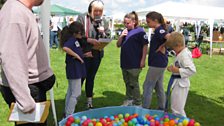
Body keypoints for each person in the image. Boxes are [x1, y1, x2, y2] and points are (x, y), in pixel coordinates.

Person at [0, 0, 55, 125]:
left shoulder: (20, 10)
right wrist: (25, 101)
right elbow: (11, 58)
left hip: (31, 90)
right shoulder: (14, 12)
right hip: (28, 93)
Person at [76, 0, 110, 108]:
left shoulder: (104, 21)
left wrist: (103, 32)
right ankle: (74, 98)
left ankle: (89, 100)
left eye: (100, 11)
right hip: (84, 53)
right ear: (91, 9)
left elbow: (108, 36)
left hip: (97, 53)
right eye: (96, 11)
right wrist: (89, 41)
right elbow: (76, 34)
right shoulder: (82, 18)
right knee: (81, 77)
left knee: (91, 77)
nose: (98, 13)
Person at [116, 11, 148, 106]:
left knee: (134, 83)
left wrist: (143, 60)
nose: (126, 25)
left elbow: (145, 46)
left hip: (134, 63)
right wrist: (121, 36)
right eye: (124, 23)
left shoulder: (140, 31)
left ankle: (138, 102)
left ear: (134, 21)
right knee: (127, 82)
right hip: (125, 62)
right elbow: (118, 45)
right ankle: (129, 99)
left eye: (128, 23)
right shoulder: (125, 31)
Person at [142, 11, 169, 110]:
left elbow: (170, 38)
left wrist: (162, 46)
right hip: (159, 62)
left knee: (147, 86)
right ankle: (162, 108)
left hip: (158, 63)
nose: (147, 23)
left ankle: (144, 108)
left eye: (148, 22)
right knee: (158, 87)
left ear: (155, 20)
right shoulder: (158, 30)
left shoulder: (159, 30)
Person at [165, 32, 196, 117]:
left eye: (173, 48)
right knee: (175, 106)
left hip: (182, 84)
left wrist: (178, 70)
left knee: (178, 109)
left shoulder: (184, 55)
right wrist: (173, 69)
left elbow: (192, 70)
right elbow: (179, 66)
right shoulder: (181, 53)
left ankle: (183, 122)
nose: (173, 50)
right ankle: (178, 122)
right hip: (178, 82)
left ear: (178, 45)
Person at [60, 22, 86, 117]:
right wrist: (77, 56)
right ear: (76, 32)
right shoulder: (72, 40)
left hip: (75, 69)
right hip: (74, 70)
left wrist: (83, 55)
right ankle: (69, 114)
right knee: (76, 93)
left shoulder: (75, 40)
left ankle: (67, 112)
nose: (82, 34)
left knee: (71, 91)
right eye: (80, 32)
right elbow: (66, 48)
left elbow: (77, 51)